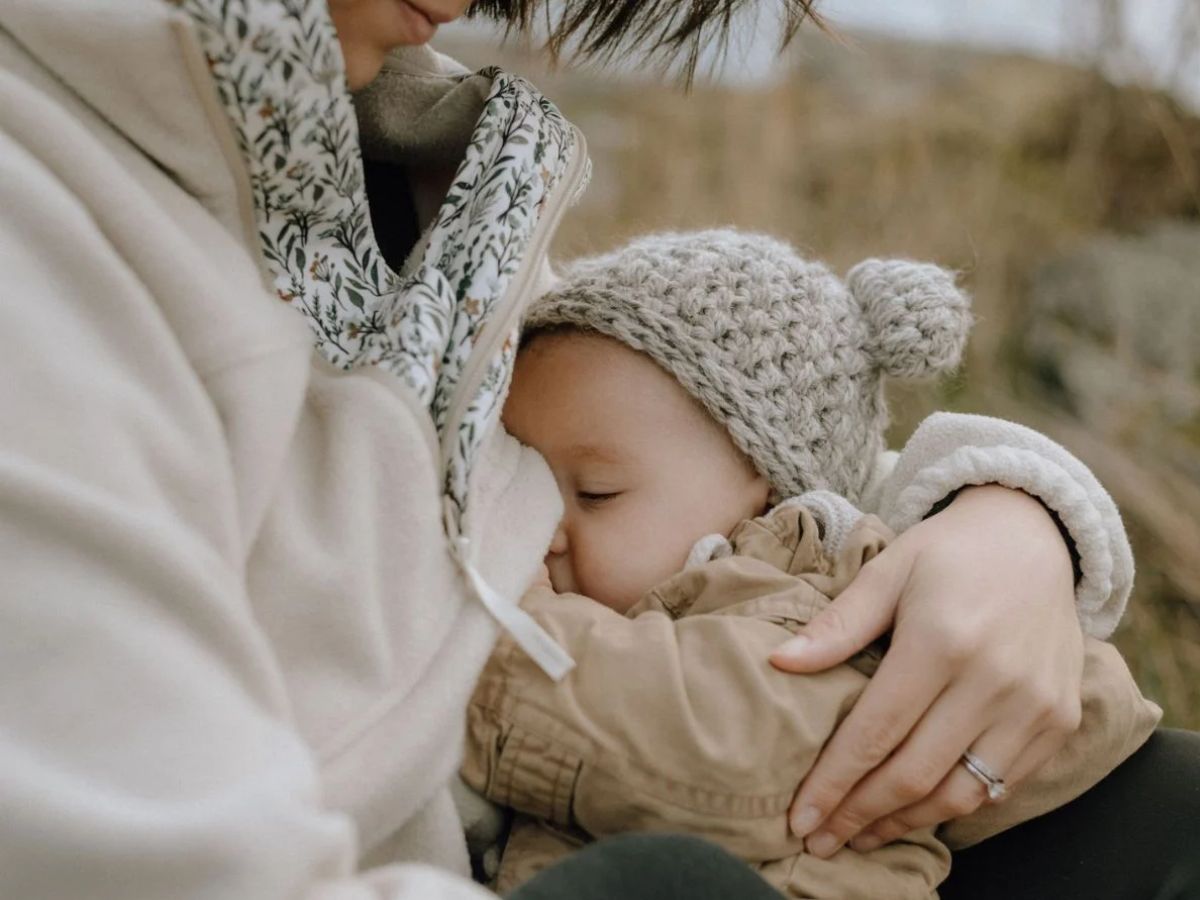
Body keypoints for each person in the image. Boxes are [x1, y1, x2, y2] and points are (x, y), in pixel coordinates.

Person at [0, 1, 1195, 898]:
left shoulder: (388, 151)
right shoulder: (49, 230)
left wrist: (1007, 516)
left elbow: (769, 466)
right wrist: (500, 682)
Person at [458, 229, 1163, 898]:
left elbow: (699, 748)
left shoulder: (804, 615)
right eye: (524, 481)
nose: (541, 525)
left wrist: (480, 631)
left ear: (766, 495)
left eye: (594, 493)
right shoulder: (677, 600)